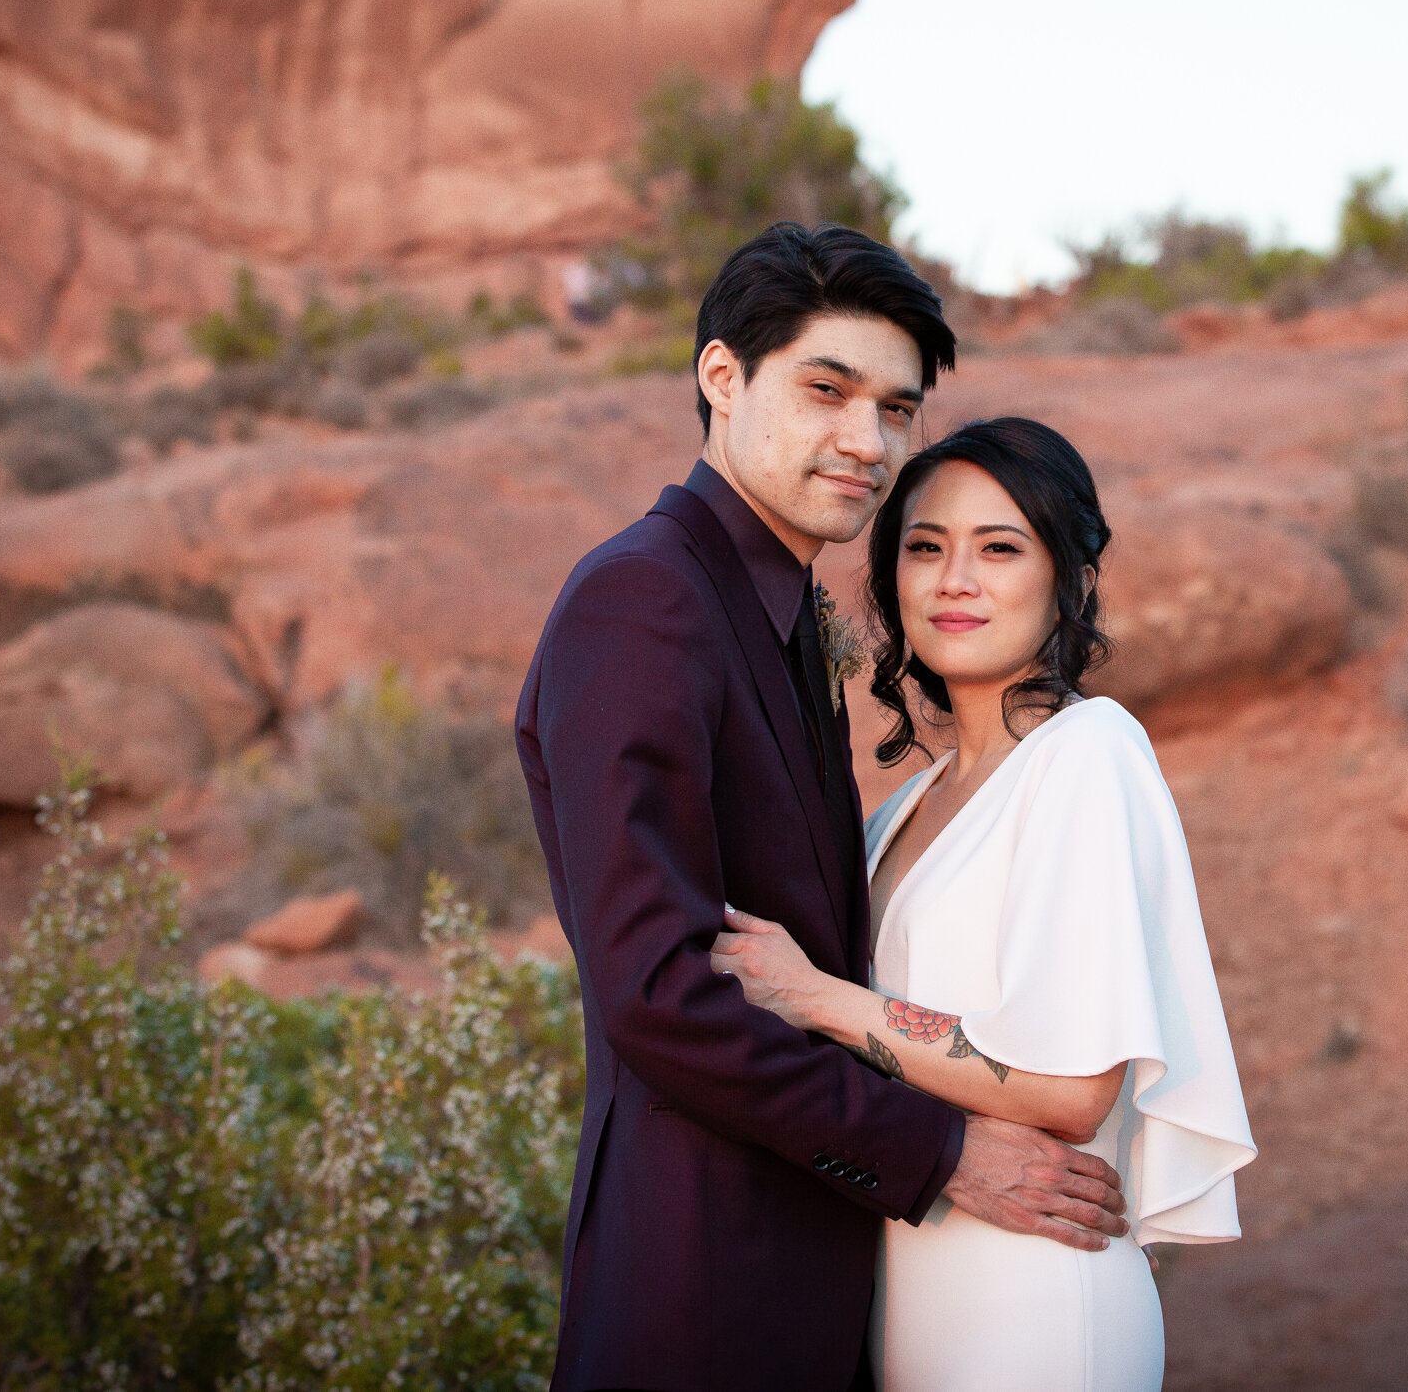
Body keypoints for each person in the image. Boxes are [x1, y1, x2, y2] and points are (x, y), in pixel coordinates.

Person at [516, 226, 1131, 1392]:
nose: (868, 441)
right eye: (826, 388)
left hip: (825, 1278)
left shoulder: (778, 613)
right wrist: (942, 1150)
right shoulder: (644, 600)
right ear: (721, 378)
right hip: (706, 1283)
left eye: (896, 408)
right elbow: (661, 993)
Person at [711, 416, 1256, 1392]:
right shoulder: (902, 807)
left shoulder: (1087, 753)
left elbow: (1071, 1085)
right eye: (925, 547)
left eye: (999, 547)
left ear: (1068, 579)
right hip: (910, 1288)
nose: (954, 578)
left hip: (1036, 1297)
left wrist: (817, 996)